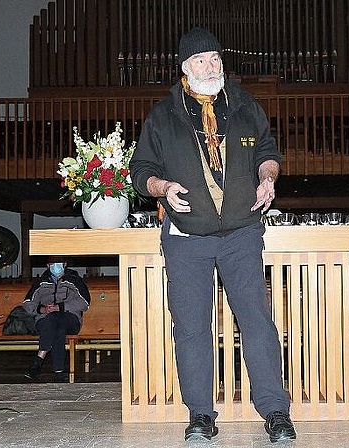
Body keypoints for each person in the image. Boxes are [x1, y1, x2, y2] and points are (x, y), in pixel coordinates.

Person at [129, 27, 296, 443]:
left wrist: (267, 178)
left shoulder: (244, 106)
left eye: (217, 58)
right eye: (202, 60)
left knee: (257, 321)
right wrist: (163, 189)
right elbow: (140, 172)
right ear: (186, 67)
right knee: (191, 328)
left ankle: (275, 412)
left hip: (241, 233)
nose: (212, 65)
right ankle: (200, 414)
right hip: (187, 238)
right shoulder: (163, 116)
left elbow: (268, 153)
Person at [22, 256, 90, 383]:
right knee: (58, 329)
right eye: (52, 264)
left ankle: (39, 360)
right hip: (45, 319)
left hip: (70, 318)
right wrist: (43, 309)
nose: (55, 266)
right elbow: (27, 303)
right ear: (47, 266)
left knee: (55, 319)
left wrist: (60, 307)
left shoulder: (74, 280)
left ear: (65, 264)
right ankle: (59, 372)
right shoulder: (41, 282)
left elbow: (84, 303)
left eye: (58, 263)